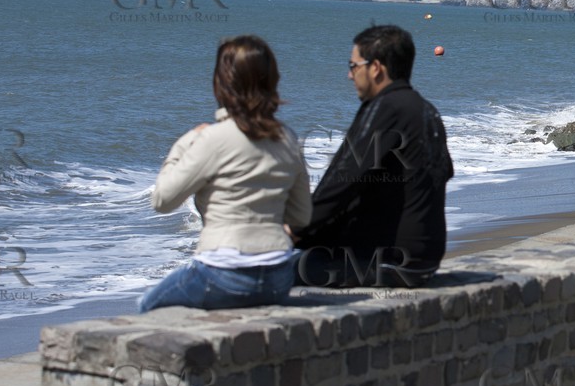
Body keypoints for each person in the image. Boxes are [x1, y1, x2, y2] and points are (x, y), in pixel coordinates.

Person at [141, 35, 311, 311]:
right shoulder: (288, 138)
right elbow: (301, 216)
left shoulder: (213, 139)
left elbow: (162, 200)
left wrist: (185, 142)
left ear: (221, 83)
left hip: (223, 274)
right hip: (278, 276)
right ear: (272, 81)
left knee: (148, 307)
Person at [296, 25, 454, 288]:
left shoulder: (386, 107)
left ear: (376, 68)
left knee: (267, 272)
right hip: (424, 259)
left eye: (353, 65)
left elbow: (341, 181)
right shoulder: (427, 111)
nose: (349, 75)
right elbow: (443, 173)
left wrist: (293, 231)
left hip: (387, 263)